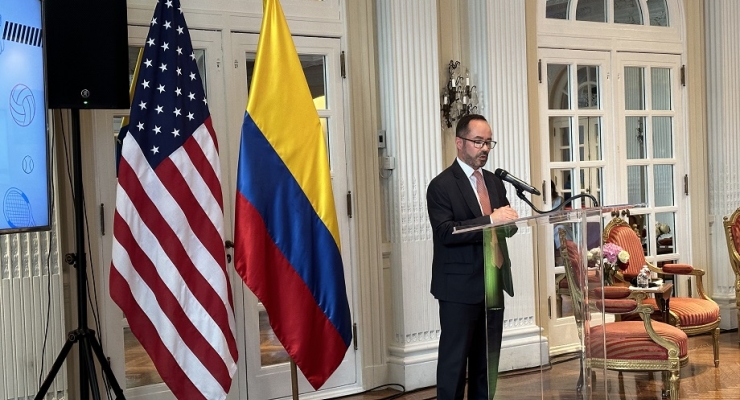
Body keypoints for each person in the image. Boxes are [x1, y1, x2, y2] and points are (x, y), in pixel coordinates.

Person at [426, 114, 519, 400]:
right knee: (455, 364)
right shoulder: (441, 186)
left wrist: (507, 223)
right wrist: (491, 220)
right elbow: (445, 232)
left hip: (493, 282)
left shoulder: (493, 181)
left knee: (486, 364)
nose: (485, 149)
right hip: (458, 288)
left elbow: (505, 225)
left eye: (489, 142)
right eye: (478, 141)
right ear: (459, 142)